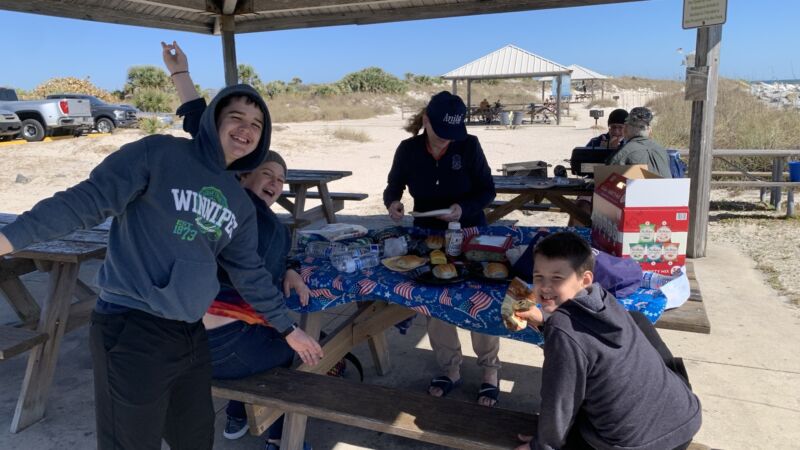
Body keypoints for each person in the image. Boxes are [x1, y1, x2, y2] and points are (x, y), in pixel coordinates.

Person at [0, 49, 322, 450]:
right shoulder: (161, 154)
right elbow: (85, 201)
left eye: (256, 124)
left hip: (189, 333)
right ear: (214, 120)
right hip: (132, 324)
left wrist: (288, 329)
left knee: (195, 439)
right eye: (236, 117)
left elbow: (249, 273)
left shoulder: (238, 202)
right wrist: (10, 239)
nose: (246, 129)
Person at [163, 41, 313, 449]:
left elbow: (201, 125)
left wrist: (289, 267)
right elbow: (204, 127)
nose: (275, 184)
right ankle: (279, 437)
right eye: (267, 174)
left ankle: (236, 413)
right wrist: (181, 76)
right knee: (299, 353)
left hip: (190, 339)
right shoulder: (239, 205)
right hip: (218, 345)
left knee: (274, 332)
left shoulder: (243, 212)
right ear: (243, 174)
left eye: (281, 181)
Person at [513, 232, 701, 450]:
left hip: (637, 445)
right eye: (538, 277)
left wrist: (541, 444)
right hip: (685, 420)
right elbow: (583, 339)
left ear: (585, 280)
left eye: (557, 278)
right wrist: (545, 322)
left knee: (572, 422)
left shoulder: (561, 326)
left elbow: (559, 399)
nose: (545, 287)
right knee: (637, 321)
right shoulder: (603, 299)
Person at [382, 91, 501, 407]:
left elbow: (487, 190)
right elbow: (394, 186)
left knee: (480, 298)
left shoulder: (469, 145)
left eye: (452, 133)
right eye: (441, 132)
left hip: (470, 231)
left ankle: (490, 370)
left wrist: (463, 208)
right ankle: (450, 368)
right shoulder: (408, 150)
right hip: (429, 235)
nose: (446, 139)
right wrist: (393, 203)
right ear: (426, 121)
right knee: (436, 299)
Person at [606, 106, 672, 178]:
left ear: (625, 128)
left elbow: (608, 178)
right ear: (649, 130)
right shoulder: (662, 151)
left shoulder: (622, 153)